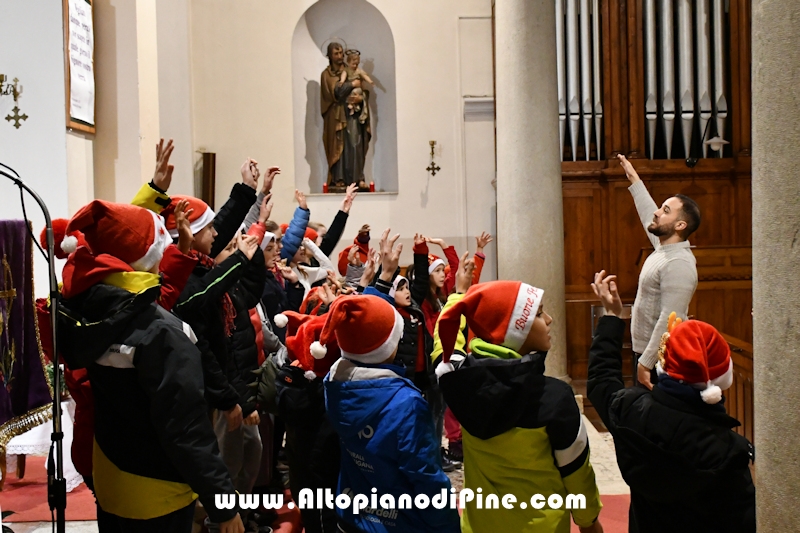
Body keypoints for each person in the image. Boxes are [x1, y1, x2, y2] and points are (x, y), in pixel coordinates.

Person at [57, 200, 244, 533]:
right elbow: (185, 430)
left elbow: (155, 287)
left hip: (112, 476)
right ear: (150, 255)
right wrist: (222, 502)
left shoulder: (88, 311)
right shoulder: (162, 332)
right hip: (159, 490)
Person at [587, 270, 755, 532]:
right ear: (723, 379)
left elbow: (601, 381)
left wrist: (612, 316)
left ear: (664, 365)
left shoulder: (631, 410)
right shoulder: (728, 451)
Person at [436, 275, 603, 533]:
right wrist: (588, 521)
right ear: (514, 331)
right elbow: (577, 472)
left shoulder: (458, 380)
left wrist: (459, 297)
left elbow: (443, 347)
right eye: (539, 314)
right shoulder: (553, 398)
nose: (549, 320)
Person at [322, 294, 460, 533]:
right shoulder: (406, 403)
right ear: (387, 344)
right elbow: (425, 476)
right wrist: (448, 524)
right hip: (400, 523)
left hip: (352, 513)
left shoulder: (334, 384)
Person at [618, 154, 700, 389]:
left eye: (665, 210)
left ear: (680, 225)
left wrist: (645, 363)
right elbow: (648, 215)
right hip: (647, 355)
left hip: (659, 361)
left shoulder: (679, 263)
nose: (657, 212)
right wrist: (634, 179)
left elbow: (669, 317)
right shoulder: (665, 249)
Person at [339, 49, 373, 128]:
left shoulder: (358, 71)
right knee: (352, 94)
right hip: (345, 107)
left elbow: (365, 76)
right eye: (353, 64)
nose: (355, 66)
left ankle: (353, 106)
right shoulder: (346, 70)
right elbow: (342, 78)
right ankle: (352, 106)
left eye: (357, 64)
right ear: (348, 62)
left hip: (357, 90)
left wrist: (370, 82)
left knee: (355, 91)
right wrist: (345, 82)